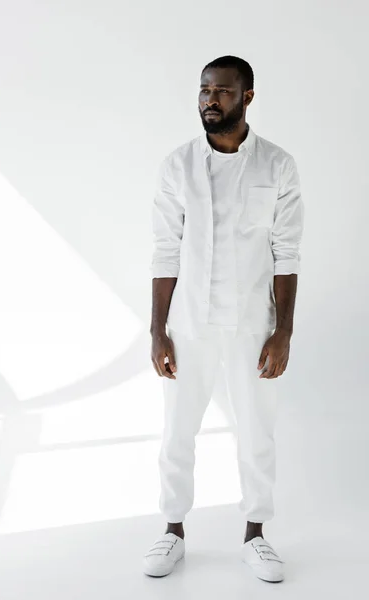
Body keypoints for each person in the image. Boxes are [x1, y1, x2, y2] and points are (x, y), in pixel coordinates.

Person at [143, 55, 304, 583]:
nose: (210, 99)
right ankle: (172, 531)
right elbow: (165, 250)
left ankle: (255, 534)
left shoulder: (277, 166)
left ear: (247, 98)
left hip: (253, 323)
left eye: (223, 91)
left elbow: (287, 252)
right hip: (190, 322)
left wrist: (283, 330)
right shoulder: (178, 166)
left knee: (256, 430)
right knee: (176, 431)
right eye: (205, 89)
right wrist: (156, 329)